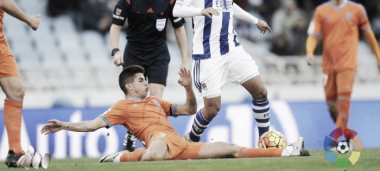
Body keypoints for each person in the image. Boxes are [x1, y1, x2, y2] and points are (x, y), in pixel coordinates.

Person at [41, 65, 309, 163]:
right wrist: (63, 125)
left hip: (179, 143)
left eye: (146, 79)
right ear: (128, 86)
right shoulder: (121, 107)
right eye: (141, 80)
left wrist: (188, 89)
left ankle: (287, 152)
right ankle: (123, 157)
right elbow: (91, 125)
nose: (147, 83)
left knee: (229, 148)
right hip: (157, 139)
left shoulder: (158, 102)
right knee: (154, 153)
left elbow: (191, 109)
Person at [172, 0, 272, 143]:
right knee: (212, 109)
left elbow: (229, 5)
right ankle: (191, 140)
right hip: (208, 55)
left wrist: (254, 20)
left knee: (260, 91)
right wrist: (199, 11)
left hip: (232, 48)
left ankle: (266, 142)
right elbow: (177, 9)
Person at [110, 0, 188, 150]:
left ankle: (155, 138)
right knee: (135, 99)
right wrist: (116, 50)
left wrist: (185, 59)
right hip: (134, 54)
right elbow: (115, 26)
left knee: (155, 98)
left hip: (158, 54)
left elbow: (179, 29)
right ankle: (131, 134)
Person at [306, 0, 380, 132]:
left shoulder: (357, 10)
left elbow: (369, 36)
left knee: (344, 100)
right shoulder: (321, 11)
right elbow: (313, 35)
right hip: (328, 65)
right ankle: (346, 133)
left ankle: (336, 138)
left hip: (347, 64)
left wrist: (378, 57)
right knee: (332, 105)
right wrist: (309, 52)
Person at [0, 0, 40, 168]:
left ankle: (15, 153)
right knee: (15, 92)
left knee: (16, 91)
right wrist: (29, 19)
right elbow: (3, 0)